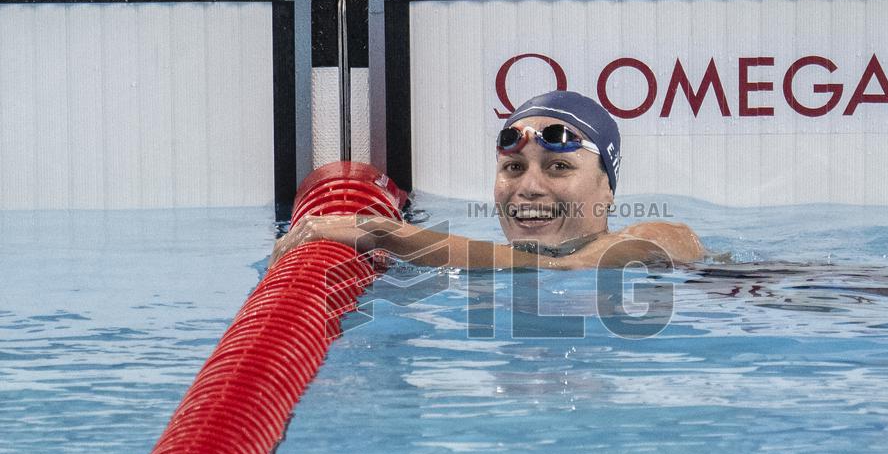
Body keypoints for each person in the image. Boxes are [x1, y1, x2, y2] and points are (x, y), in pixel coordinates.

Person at [270, 90, 702, 270]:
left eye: (558, 168)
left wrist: (386, 233)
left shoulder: (659, 238)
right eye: (513, 168)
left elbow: (564, 268)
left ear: (608, 188)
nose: (529, 187)